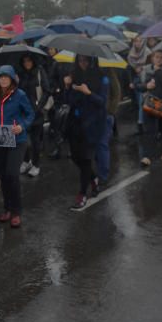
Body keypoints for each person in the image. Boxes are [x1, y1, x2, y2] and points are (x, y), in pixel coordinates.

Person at [0, 65, 34, 228]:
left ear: (12, 79)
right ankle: (7, 208)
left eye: (7, 77)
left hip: (18, 140)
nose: (4, 79)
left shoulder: (20, 95)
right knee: (3, 175)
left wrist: (22, 126)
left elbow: (30, 114)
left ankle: (17, 211)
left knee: (12, 173)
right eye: (1, 77)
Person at [64, 55, 108, 211]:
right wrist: (68, 87)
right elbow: (68, 100)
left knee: (85, 158)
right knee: (76, 157)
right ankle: (93, 178)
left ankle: (82, 194)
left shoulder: (102, 77)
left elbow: (102, 101)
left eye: (86, 60)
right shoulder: (74, 76)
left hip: (93, 124)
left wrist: (88, 92)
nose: (83, 63)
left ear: (92, 61)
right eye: (80, 60)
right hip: (75, 123)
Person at [134, 48, 162, 166]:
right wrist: (147, 85)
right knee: (149, 131)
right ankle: (146, 156)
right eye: (157, 57)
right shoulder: (146, 69)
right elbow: (138, 86)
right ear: (152, 58)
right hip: (149, 103)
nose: (159, 59)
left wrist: (158, 72)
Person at [16, 53, 50, 177]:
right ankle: (26, 161)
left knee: (35, 141)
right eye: (24, 61)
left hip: (36, 113)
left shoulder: (39, 71)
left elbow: (47, 90)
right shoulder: (20, 73)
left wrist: (39, 107)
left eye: (29, 61)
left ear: (33, 61)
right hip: (23, 112)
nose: (27, 64)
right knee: (22, 138)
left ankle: (36, 164)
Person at [126, 36, 149, 134]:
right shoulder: (131, 53)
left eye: (140, 41)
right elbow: (129, 68)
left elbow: (151, 64)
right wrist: (131, 81)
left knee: (142, 101)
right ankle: (141, 122)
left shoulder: (147, 52)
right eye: (136, 41)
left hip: (145, 79)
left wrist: (142, 68)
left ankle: (141, 122)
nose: (138, 43)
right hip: (136, 80)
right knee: (139, 101)